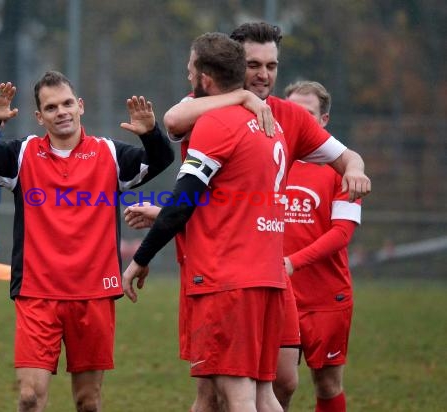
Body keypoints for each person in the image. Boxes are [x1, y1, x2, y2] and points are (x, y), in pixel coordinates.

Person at [160, 21, 371, 412]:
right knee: (219, 393)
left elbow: (345, 155)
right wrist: (241, 99)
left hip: (266, 271)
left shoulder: (289, 116)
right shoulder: (209, 108)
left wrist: (354, 169)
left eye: (271, 66)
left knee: (279, 383)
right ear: (234, 64)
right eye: (254, 64)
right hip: (218, 268)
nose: (263, 74)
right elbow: (173, 120)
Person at [0, 70, 174, 412]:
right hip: (37, 293)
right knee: (30, 397)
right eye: (50, 107)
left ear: (80, 106)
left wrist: (151, 134)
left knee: (87, 401)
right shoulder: (23, 154)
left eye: (66, 103)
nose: (60, 112)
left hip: (93, 294)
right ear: (39, 116)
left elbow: (161, 159)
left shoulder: (109, 154)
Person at [123, 32, 289, 412]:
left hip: (228, 280)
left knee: (238, 396)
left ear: (205, 79)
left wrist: (139, 259)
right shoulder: (268, 124)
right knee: (263, 396)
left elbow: (184, 201)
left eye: (189, 70)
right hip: (266, 276)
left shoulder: (217, 124)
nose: (187, 77)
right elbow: (228, 201)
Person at [283, 80, 361, 412]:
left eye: (309, 114)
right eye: (293, 113)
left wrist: (291, 262)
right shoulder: (270, 159)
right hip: (277, 294)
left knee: (327, 385)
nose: (300, 120)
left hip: (326, 297)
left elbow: (341, 234)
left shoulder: (342, 167)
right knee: (278, 384)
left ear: (324, 120)